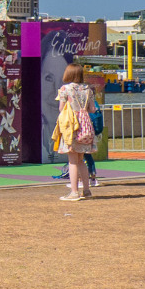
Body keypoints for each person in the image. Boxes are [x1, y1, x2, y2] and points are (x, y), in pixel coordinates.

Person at [53, 62, 98, 200]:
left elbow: (61, 108)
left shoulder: (65, 89)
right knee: (80, 160)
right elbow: (92, 109)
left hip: (72, 126)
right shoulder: (88, 89)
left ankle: (74, 192)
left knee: (72, 160)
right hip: (85, 127)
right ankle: (86, 190)